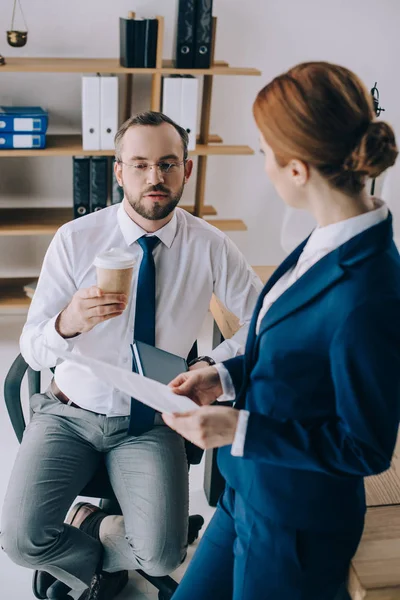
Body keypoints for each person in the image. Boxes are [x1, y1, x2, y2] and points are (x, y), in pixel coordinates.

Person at [0, 111, 262, 600]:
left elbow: (267, 322)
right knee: (19, 542)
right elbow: (33, 351)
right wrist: (67, 323)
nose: (154, 177)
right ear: (119, 172)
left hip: (150, 419)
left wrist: (213, 366)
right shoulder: (75, 239)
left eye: (167, 164)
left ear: (187, 169)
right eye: (140, 165)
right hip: (68, 414)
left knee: (162, 556)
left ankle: (90, 527)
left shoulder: (209, 246)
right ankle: (96, 559)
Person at [163, 62, 400, 600]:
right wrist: (221, 374)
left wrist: (235, 429)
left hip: (297, 526)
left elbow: (366, 448)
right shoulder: (326, 237)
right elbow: (291, 349)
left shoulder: (371, 292)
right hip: (247, 492)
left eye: (265, 151)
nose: (262, 163)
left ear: (296, 170)